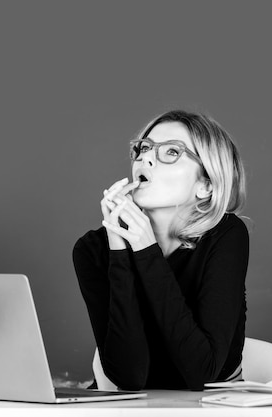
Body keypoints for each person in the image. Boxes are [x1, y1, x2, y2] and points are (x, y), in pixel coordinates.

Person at [73, 109, 248, 391]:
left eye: (171, 152)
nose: (146, 157)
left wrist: (146, 250)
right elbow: (130, 377)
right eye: (144, 148)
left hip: (212, 405)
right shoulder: (92, 250)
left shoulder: (226, 235)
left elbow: (201, 371)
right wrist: (119, 249)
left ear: (205, 185)